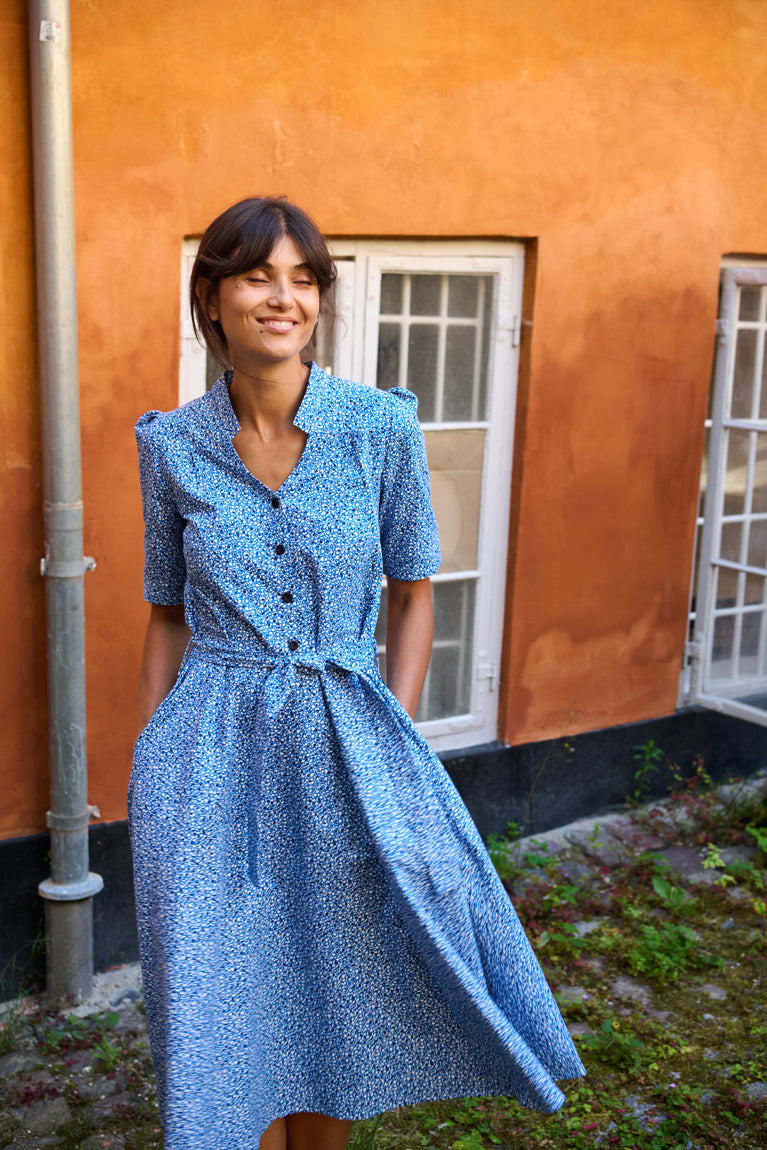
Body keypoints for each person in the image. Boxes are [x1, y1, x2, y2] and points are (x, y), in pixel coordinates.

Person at [129, 195, 584, 1150]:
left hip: (348, 746)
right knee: (223, 993)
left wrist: (396, 738)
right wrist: (150, 762)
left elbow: (413, 595)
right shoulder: (168, 445)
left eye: (303, 279)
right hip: (207, 759)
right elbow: (165, 616)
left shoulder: (379, 428)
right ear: (211, 297)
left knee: (339, 982)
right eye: (257, 276)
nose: (282, 298)